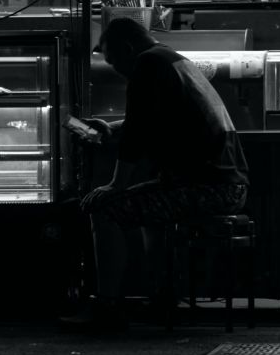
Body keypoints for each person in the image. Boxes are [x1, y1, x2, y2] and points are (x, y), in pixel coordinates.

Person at [62, 17, 249, 331]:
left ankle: (108, 305)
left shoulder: (147, 65)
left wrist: (116, 185)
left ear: (127, 48)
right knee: (149, 209)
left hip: (207, 187)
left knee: (104, 208)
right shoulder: (172, 60)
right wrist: (111, 129)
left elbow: (136, 136)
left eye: (113, 61)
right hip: (225, 184)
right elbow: (147, 122)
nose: (117, 70)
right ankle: (160, 299)